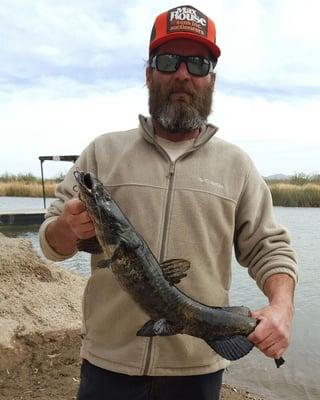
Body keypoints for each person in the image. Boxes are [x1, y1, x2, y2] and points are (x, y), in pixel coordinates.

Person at [39, 5, 298, 400]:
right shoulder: (102, 153)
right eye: (168, 60)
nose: (182, 73)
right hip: (109, 366)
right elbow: (51, 245)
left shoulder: (238, 166)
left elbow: (270, 248)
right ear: (149, 74)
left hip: (196, 373)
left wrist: (281, 307)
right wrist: (67, 229)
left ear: (212, 78)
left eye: (197, 62)